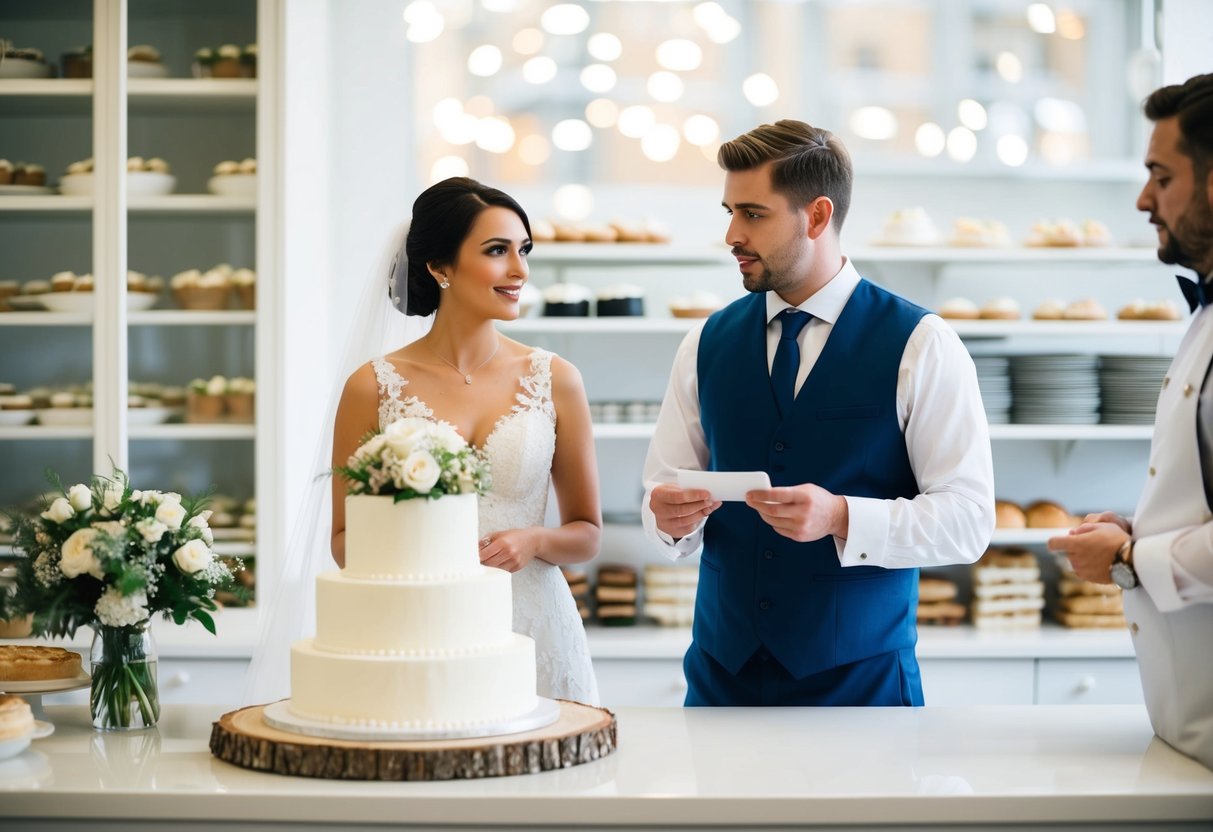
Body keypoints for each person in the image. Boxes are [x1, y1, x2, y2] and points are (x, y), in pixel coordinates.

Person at [642, 119, 995, 707]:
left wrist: (841, 517)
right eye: (728, 211)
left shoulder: (922, 343)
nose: (731, 233)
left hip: (861, 688)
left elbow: (968, 521)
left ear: (816, 216)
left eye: (753, 214)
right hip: (719, 681)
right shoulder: (705, 342)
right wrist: (669, 518)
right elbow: (664, 493)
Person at [247, 177, 601, 706]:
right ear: (439, 268)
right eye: (497, 251)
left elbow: (586, 534)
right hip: (419, 630)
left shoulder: (557, 379)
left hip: (535, 630)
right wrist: (424, 558)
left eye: (523, 250)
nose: (519, 271)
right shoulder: (373, 385)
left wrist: (534, 541)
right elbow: (343, 539)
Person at [1048, 74, 1213, 770]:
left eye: (1160, 175)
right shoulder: (1202, 315)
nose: (1143, 199)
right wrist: (1139, 529)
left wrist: (1124, 558)